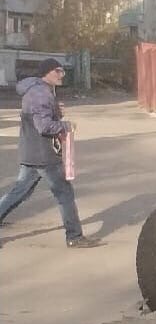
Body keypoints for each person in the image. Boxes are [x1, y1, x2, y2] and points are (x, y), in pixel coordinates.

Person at [0, 59, 102, 248]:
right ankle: (75, 237)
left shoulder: (38, 89)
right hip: (43, 154)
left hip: (31, 151)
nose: (62, 74)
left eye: (62, 71)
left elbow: (39, 118)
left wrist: (57, 113)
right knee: (64, 194)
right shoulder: (41, 93)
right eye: (58, 71)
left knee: (19, 192)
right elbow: (44, 126)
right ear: (46, 72)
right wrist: (66, 125)